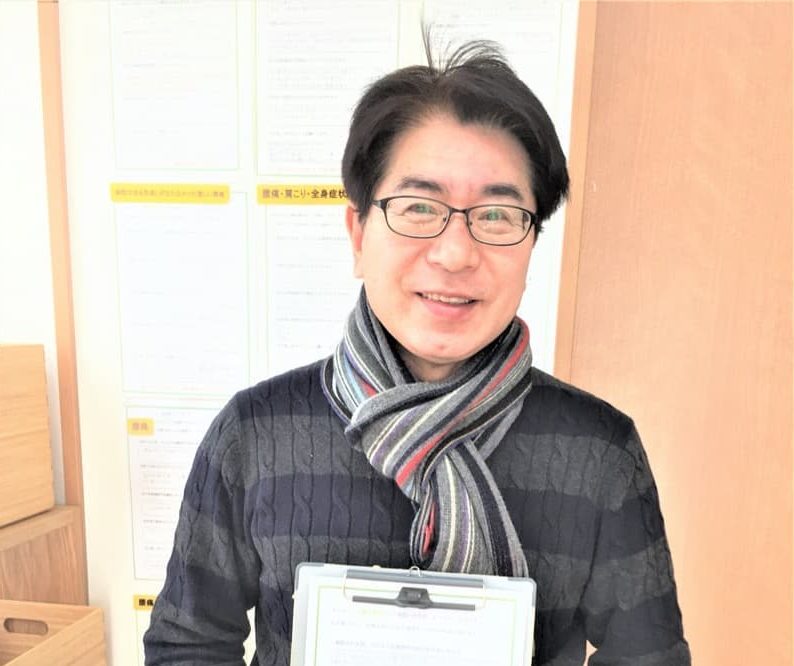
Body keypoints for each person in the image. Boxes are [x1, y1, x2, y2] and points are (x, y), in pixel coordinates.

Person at [144, 37, 690, 665]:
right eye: (419, 208)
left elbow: (649, 660)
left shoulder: (598, 451)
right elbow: (188, 646)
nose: (455, 253)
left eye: (496, 215)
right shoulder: (255, 434)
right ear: (358, 233)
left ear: (531, 243)